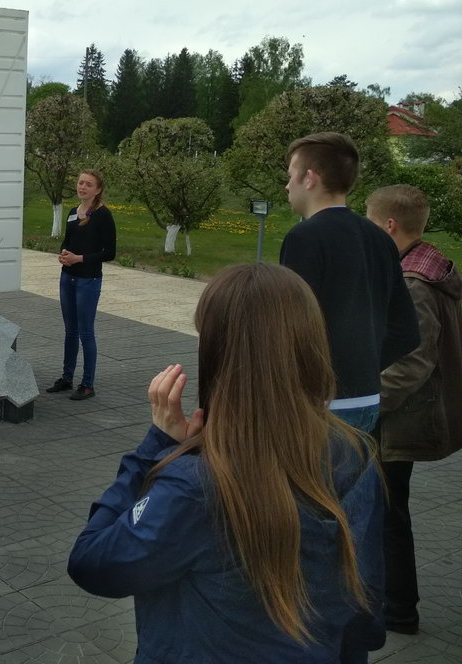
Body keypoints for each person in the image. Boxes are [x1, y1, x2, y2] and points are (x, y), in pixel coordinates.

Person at [68, 263, 386, 663]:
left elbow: (93, 564)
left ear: (216, 353)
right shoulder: (355, 454)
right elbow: (365, 608)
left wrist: (154, 447)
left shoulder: (197, 484)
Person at [365, 184, 462, 635]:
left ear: (388, 225)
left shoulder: (414, 284)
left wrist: (367, 404)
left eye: (369, 221)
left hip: (400, 419)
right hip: (405, 413)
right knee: (386, 509)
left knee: (388, 514)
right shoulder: (427, 265)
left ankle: (399, 609)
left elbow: (411, 365)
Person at [280, 132, 419, 432]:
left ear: (309, 178)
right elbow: (407, 331)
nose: (287, 185)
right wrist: (362, 366)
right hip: (368, 402)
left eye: (290, 175)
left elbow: (288, 326)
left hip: (319, 404)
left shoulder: (304, 238)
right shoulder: (381, 239)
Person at [46, 169, 116, 401]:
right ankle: (67, 378)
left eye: (88, 184)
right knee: (70, 330)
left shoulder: (103, 215)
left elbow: (109, 252)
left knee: (86, 332)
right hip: (68, 277)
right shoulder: (72, 213)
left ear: (98, 190)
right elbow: (68, 241)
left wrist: (80, 259)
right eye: (80, 183)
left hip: (88, 280)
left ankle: (87, 384)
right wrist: (64, 254)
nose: (82, 187)